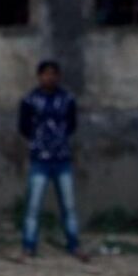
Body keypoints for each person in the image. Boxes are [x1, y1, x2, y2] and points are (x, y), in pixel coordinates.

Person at [18, 60, 86, 261]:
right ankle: (29, 246)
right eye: (45, 74)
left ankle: (74, 245)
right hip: (39, 159)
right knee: (33, 206)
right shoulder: (30, 100)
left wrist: (58, 140)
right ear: (39, 77)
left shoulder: (67, 99)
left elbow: (72, 125)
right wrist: (40, 142)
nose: (49, 77)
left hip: (62, 159)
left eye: (53, 74)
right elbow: (23, 127)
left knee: (69, 206)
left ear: (58, 76)